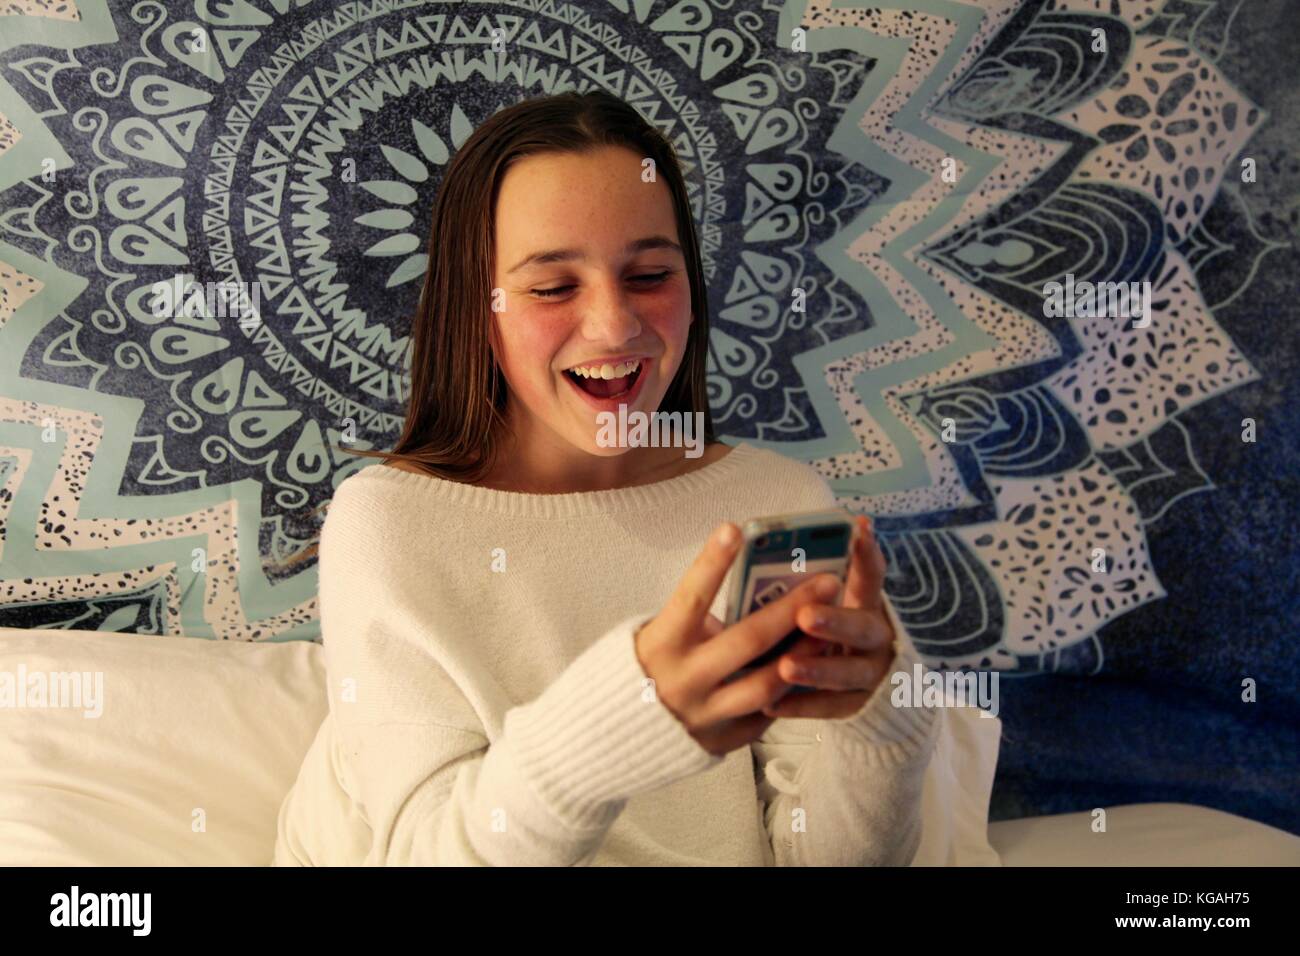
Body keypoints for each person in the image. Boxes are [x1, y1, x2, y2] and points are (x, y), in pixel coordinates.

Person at [272, 90, 940, 866]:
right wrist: (626, 720)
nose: (615, 325)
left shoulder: (777, 505)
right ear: (475, 305)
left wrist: (884, 724)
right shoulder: (390, 523)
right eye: (553, 288)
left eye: (651, 274)